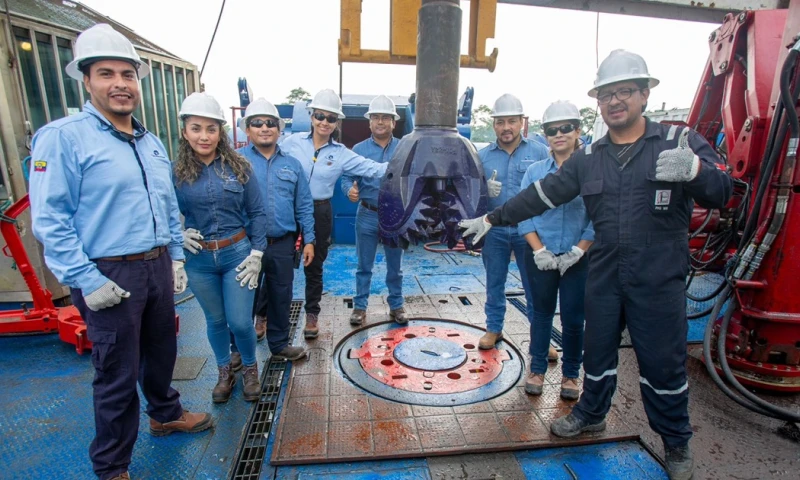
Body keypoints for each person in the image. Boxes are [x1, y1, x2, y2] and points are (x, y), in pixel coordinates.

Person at [459, 49, 732, 480]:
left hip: (658, 274)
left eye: (626, 91)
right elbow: (541, 194)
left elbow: (723, 191)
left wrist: (696, 168)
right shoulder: (590, 159)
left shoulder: (677, 142)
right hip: (605, 270)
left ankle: (676, 442)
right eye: (607, 94)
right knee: (596, 350)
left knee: (662, 363)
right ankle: (590, 412)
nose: (616, 101)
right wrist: (491, 218)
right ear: (599, 103)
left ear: (645, 94)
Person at [28, 24, 212, 480]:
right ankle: (112, 466)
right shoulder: (63, 137)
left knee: (161, 350)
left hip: (155, 266)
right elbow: (50, 219)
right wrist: (87, 279)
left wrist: (174, 255)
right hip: (107, 271)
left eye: (127, 74)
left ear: (137, 81)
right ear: (86, 80)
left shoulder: (149, 143)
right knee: (115, 371)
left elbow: (167, 205)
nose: (119, 84)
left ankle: (165, 414)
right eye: (106, 73)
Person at [174, 92, 267, 404]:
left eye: (211, 129)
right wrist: (178, 234)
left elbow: (257, 213)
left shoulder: (240, 167)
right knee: (215, 321)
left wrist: (257, 253)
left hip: (236, 254)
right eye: (196, 128)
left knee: (240, 321)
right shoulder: (176, 173)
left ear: (220, 132)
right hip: (198, 259)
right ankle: (224, 370)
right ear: (184, 131)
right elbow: (162, 212)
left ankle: (251, 368)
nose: (204, 136)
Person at [280, 89, 390, 339]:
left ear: (336, 122)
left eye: (330, 118)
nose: (324, 122)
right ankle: (264, 317)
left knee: (315, 266)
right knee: (278, 264)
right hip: (289, 209)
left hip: (320, 211)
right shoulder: (291, 143)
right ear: (311, 116)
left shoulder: (340, 153)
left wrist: (406, 162)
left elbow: (373, 169)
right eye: (320, 116)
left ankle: (312, 315)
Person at [518, 101, 593, 401]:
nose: (558, 134)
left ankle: (571, 374)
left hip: (577, 257)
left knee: (574, 318)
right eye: (552, 130)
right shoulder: (536, 171)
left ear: (578, 130)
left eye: (565, 128)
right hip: (541, 256)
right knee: (541, 313)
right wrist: (538, 250)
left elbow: (598, 215)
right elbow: (524, 212)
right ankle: (537, 368)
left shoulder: (591, 171)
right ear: (545, 134)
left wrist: (580, 249)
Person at [237, 98, 315, 360]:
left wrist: (309, 241)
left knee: (282, 296)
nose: (264, 127)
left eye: (270, 123)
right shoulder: (235, 163)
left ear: (279, 130)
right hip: (244, 245)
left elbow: (304, 205)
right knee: (241, 300)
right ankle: (236, 351)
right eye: (257, 123)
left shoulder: (292, 165)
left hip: (282, 243)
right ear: (247, 130)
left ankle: (279, 345)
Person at [475, 94, 550, 353]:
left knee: (535, 286)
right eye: (500, 122)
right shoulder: (482, 156)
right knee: (494, 282)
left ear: (521, 122)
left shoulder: (540, 152)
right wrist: (483, 190)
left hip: (528, 231)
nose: (506, 127)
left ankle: (542, 338)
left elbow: (554, 188)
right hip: (494, 230)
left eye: (512, 121)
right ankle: (493, 329)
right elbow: (468, 191)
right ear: (494, 124)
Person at [341, 95, 406, 326]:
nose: (380, 122)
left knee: (395, 267)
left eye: (385, 118)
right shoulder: (358, 149)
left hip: (396, 216)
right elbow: (347, 177)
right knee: (364, 265)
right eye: (376, 118)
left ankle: (396, 306)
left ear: (393, 122)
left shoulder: (404, 147)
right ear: (369, 123)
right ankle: (360, 307)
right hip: (367, 213)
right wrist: (349, 190)